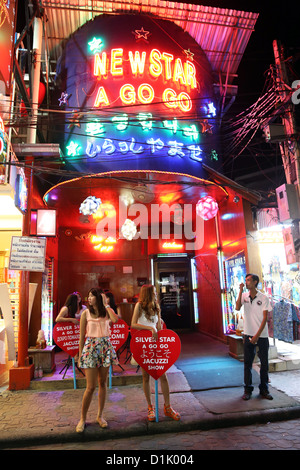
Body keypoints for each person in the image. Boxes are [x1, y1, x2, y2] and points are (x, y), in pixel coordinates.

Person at [131, 284, 180, 422]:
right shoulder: (139, 306)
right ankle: (150, 407)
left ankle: (167, 407)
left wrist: (159, 323)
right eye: (154, 292)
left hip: (156, 345)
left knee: (162, 375)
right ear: (147, 293)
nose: (156, 294)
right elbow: (133, 324)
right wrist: (150, 329)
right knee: (146, 377)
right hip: (144, 344)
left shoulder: (156, 306)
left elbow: (159, 328)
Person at [76, 288, 119, 432]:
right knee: (90, 386)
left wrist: (106, 304)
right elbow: (82, 336)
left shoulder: (107, 312)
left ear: (99, 298)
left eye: (92, 296)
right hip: (90, 348)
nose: (89, 298)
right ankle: (82, 418)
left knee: (102, 382)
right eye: (88, 296)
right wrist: (80, 356)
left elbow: (115, 320)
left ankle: (100, 416)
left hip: (105, 347)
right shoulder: (85, 314)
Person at [236, 273, 273, 401]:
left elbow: (265, 319)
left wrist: (257, 336)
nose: (246, 282)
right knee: (247, 363)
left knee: (264, 364)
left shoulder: (263, 298)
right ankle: (247, 389)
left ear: (255, 282)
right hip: (247, 334)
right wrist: (240, 291)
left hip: (261, 336)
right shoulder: (244, 296)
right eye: (245, 280)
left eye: (249, 280)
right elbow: (237, 307)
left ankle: (264, 389)